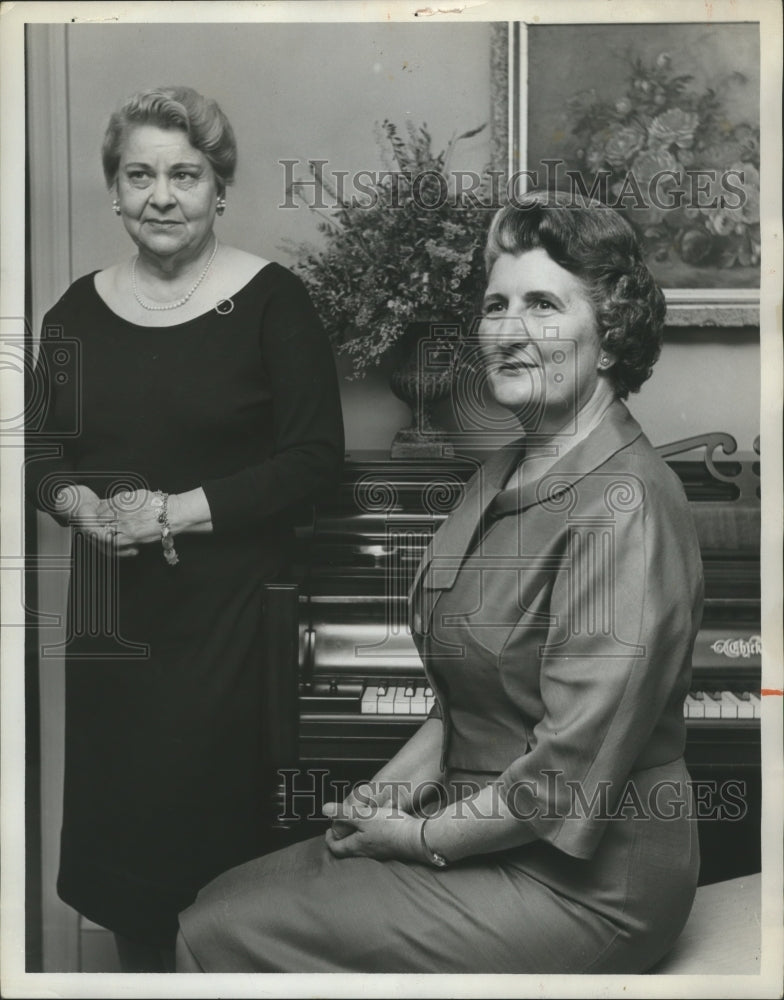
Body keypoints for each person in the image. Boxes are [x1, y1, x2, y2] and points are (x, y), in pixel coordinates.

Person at [176, 191, 704, 974]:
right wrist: (381, 800)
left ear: (612, 335)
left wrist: (416, 837)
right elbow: (469, 704)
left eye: (544, 305)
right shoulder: (498, 474)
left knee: (216, 933)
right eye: (497, 306)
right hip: (486, 823)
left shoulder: (624, 507)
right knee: (218, 899)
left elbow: (560, 784)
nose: (511, 332)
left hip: (589, 884)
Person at [26, 85, 344, 971]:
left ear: (219, 188)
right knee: (133, 886)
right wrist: (80, 505)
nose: (161, 195)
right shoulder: (74, 315)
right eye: (140, 175)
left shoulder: (276, 303)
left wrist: (175, 511)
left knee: (235, 885)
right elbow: (40, 454)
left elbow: (317, 459)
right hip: (115, 632)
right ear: (115, 191)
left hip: (232, 627)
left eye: (184, 174)